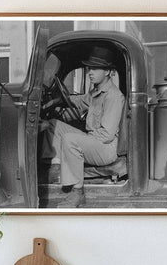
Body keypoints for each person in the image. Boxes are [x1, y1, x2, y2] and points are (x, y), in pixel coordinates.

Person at [40, 47, 125, 208]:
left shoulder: (113, 96)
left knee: (70, 139)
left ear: (107, 71)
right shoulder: (96, 92)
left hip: (106, 149)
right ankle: (55, 169)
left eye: (95, 68)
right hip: (94, 141)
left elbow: (106, 135)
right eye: (89, 68)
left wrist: (82, 140)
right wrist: (57, 102)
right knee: (54, 125)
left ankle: (77, 193)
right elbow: (80, 101)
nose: (89, 72)